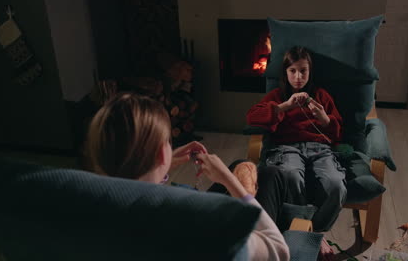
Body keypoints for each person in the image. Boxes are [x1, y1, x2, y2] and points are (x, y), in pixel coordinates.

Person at [85, 93, 289, 261]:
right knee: (270, 175)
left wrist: (160, 167)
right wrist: (230, 181)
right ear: (160, 153)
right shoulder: (199, 225)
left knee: (240, 165)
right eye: (167, 142)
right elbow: (279, 250)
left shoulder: (85, 215)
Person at [247, 46, 346, 258]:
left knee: (336, 184)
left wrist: (324, 118)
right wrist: (284, 106)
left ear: (310, 72)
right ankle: (300, 233)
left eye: (303, 71)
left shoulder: (321, 95)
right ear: (285, 73)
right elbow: (252, 117)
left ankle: (315, 231)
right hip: (287, 147)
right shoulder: (277, 95)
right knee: (290, 174)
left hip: (320, 149)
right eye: (293, 71)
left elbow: (338, 133)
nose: (298, 77)